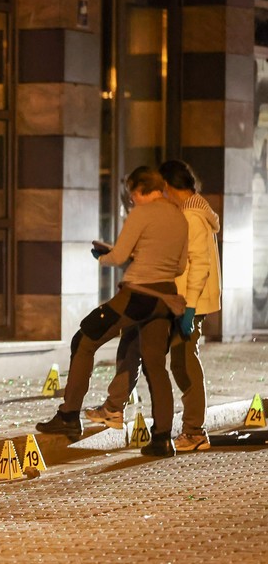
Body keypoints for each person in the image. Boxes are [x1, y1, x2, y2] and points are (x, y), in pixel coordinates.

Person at [36, 166, 188, 457]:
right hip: (167, 299)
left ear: (142, 189)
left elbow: (118, 256)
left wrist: (104, 255)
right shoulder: (179, 216)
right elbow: (179, 267)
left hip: (138, 295)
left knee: (84, 339)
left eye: (132, 194)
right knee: (156, 366)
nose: (131, 201)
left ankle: (68, 416)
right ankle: (162, 439)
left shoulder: (142, 213)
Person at [85, 160, 221, 452]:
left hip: (186, 302)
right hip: (168, 299)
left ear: (169, 187)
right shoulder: (183, 213)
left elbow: (198, 266)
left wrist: (189, 310)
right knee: (133, 344)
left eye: (162, 189)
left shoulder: (192, 217)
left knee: (183, 364)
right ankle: (114, 407)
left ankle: (195, 431)